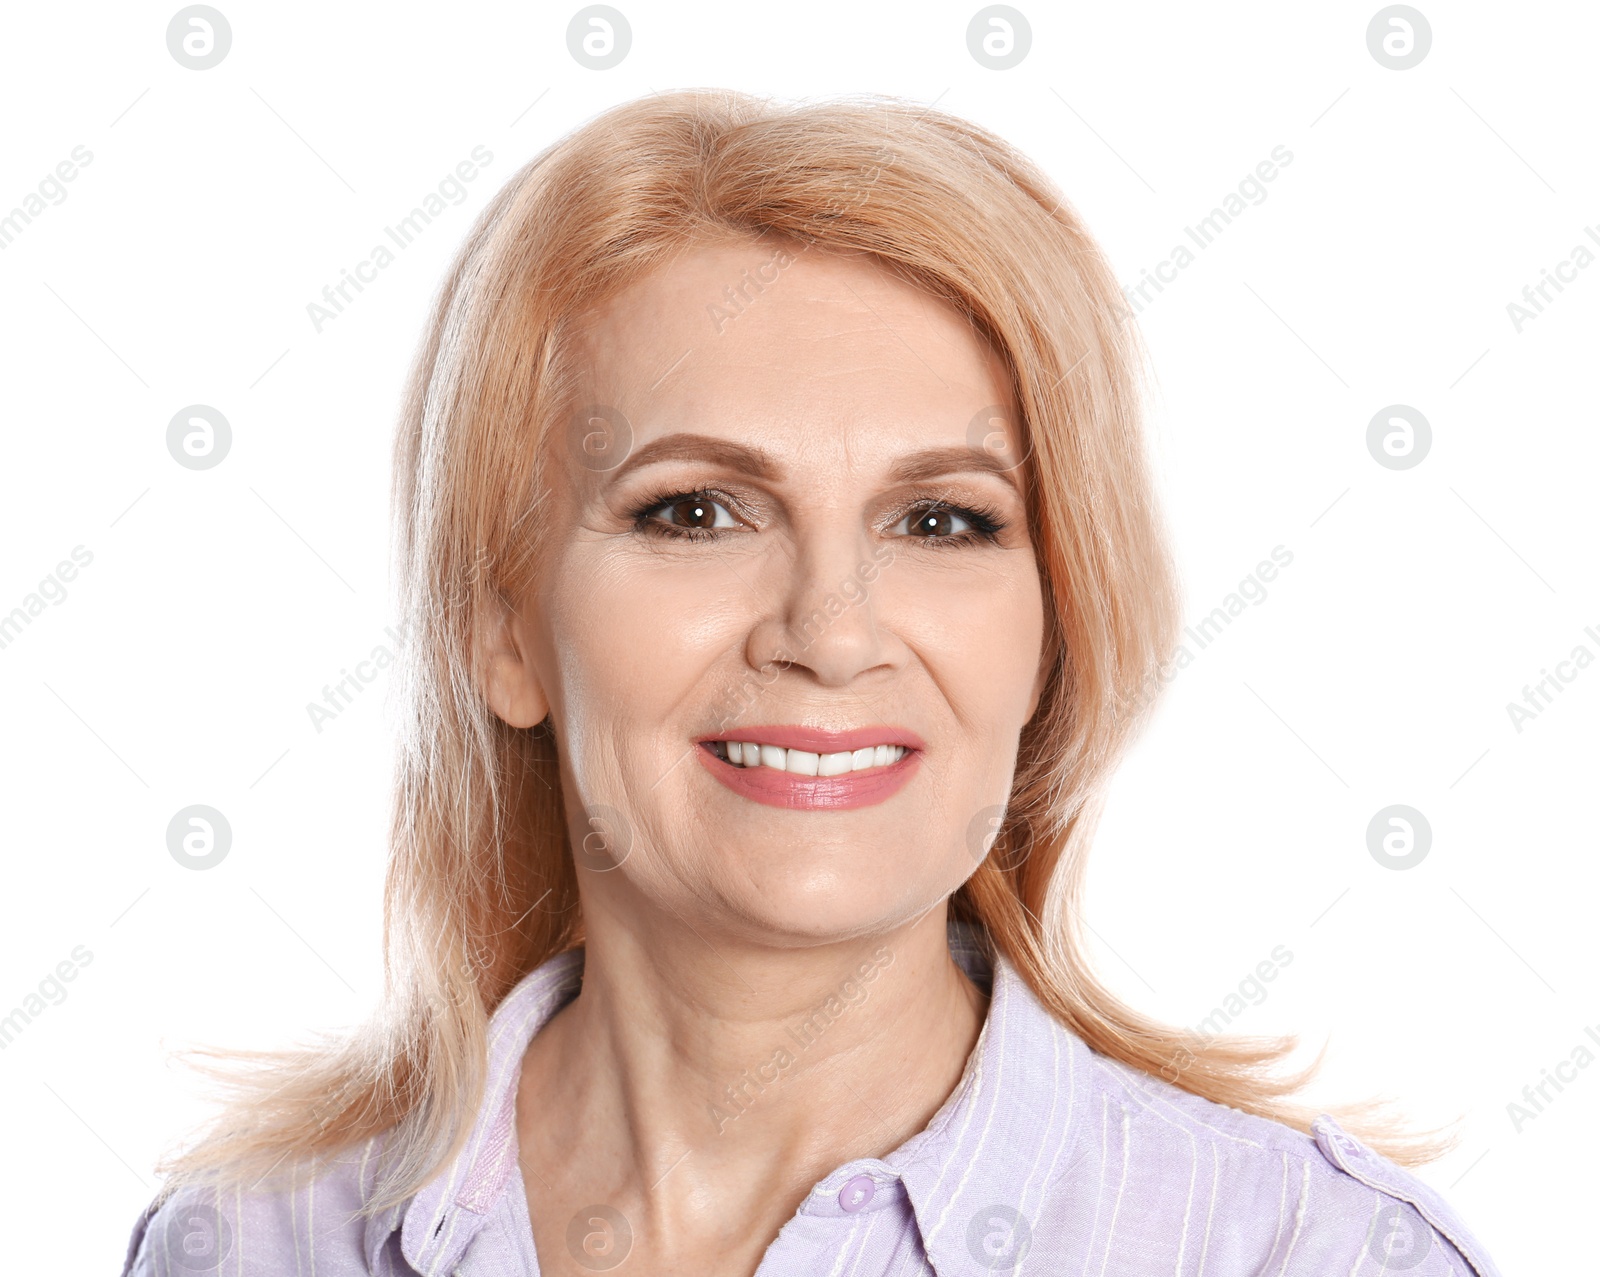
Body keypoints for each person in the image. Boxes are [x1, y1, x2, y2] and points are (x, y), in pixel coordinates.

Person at [120, 89, 1501, 1276]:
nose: (831, 634)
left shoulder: (1290, 1253)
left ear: (1054, 628)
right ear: (506, 629)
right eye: (696, 511)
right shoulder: (250, 1241)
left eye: (943, 520)